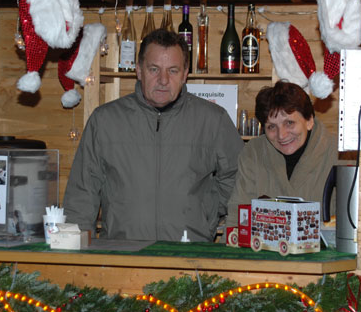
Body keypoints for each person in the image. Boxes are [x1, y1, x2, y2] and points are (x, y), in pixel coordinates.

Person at [64, 29, 243, 242]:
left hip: (189, 254)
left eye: (173, 71)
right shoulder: (105, 121)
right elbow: (81, 196)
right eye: (154, 69)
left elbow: (240, 178)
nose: (163, 80)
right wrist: (75, 256)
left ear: (185, 73)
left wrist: (207, 212)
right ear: (139, 70)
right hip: (122, 254)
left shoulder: (213, 120)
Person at [227, 81, 338, 227]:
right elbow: (238, 218)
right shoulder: (253, 152)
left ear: (309, 120)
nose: (282, 135)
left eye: (289, 123)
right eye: (272, 127)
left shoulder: (339, 155)